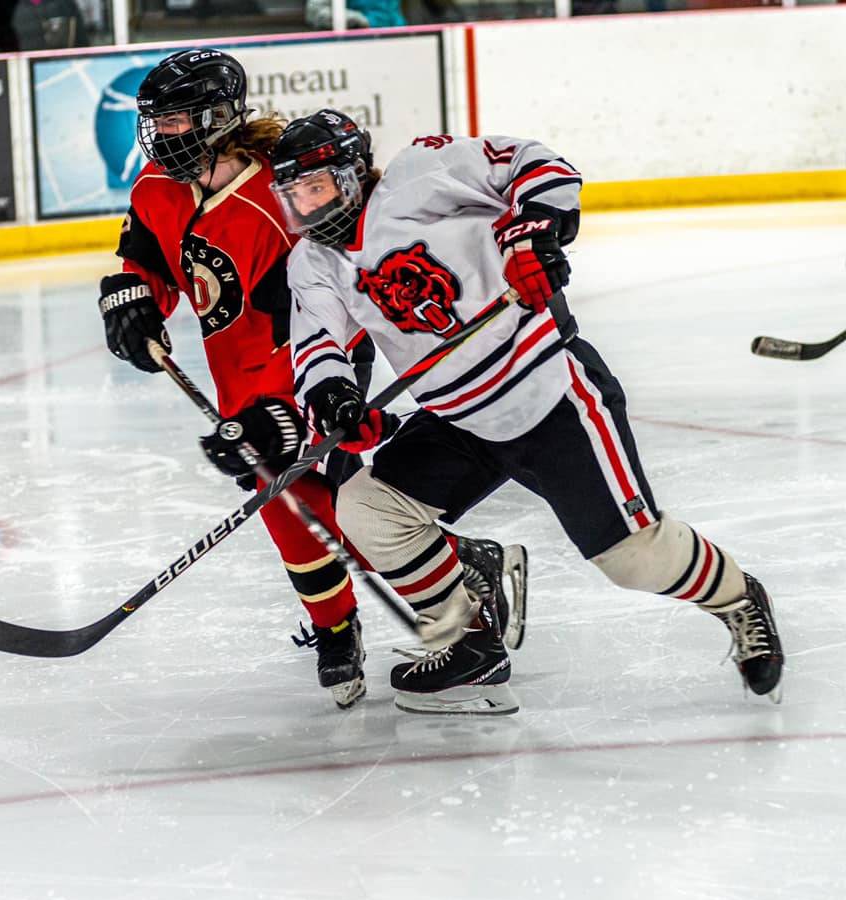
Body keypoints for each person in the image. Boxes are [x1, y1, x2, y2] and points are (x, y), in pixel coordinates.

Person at [269, 109, 785, 715]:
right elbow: (318, 345)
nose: (306, 205)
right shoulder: (312, 262)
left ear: (354, 174)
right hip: (459, 418)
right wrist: (332, 395)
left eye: (317, 187)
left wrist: (535, 232)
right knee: (367, 507)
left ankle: (737, 597)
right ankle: (469, 642)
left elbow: (532, 162)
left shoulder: (418, 174)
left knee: (633, 558)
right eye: (294, 195)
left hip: (549, 390)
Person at [96, 50, 526, 711]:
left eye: (176, 122)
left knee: (313, 496)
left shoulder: (281, 198)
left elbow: (321, 313)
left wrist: (281, 408)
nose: (160, 138)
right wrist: (132, 299)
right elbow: (146, 258)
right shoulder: (156, 186)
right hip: (234, 373)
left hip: (309, 369)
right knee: (283, 507)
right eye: (155, 124)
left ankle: (460, 576)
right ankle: (341, 623)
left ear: (216, 119)